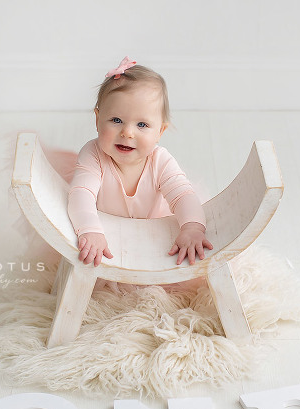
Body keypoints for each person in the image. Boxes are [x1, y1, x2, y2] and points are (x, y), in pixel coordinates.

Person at [67, 57, 213, 267]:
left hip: (149, 232)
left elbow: (183, 196)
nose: (127, 132)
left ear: (160, 131)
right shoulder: (93, 154)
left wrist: (192, 227)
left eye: (142, 124)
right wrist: (90, 230)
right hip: (106, 232)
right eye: (116, 120)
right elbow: (81, 195)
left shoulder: (160, 160)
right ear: (97, 120)